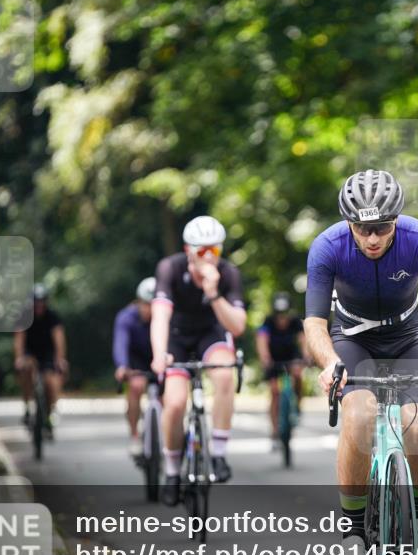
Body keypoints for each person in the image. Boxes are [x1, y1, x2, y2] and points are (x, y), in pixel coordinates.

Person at [304, 169, 418, 555]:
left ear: (396, 219)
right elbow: (314, 322)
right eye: (362, 228)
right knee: (360, 414)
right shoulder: (327, 246)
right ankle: (352, 528)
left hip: (406, 337)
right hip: (352, 338)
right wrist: (330, 363)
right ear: (349, 223)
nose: (372, 238)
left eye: (382, 227)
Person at [150, 215, 247, 505]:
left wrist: (213, 293)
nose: (208, 257)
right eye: (202, 250)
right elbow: (160, 317)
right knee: (175, 403)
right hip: (176, 337)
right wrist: (159, 354)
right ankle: (171, 472)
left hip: (210, 333)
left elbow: (237, 327)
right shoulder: (170, 268)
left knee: (225, 374)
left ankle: (218, 454)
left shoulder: (228, 273)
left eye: (214, 250)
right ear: (188, 250)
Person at [14, 284, 68, 435]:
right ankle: (27, 407)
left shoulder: (52, 317)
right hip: (30, 353)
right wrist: (19, 358)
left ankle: (50, 412)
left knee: (51, 381)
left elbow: (59, 339)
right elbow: (19, 339)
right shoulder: (24, 317)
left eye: (41, 301)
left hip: (47, 353)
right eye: (36, 302)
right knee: (26, 371)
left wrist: (60, 359)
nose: (39, 305)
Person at [256, 292, 308, 448]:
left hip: (292, 357)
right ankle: (274, 431)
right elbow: (262, 339)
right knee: (274, 392)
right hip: (273, 360)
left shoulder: (295, 322)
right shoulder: (268, 322)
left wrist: (306, 356)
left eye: (284, 314)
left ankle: (297, 405)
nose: (282, 318)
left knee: (298, 376)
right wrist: (265, 358)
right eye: (279, 314)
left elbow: (303, 340)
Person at [113, 277, 156, 459]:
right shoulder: (126, 317)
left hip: (159, 359)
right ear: (138, 302)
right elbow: (120, 343)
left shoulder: (165, 317)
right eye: (145, 304)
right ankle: (135, 435)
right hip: (136, 361)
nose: (149, 309)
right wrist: (122, 365)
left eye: (153, 305)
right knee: (135, 386)